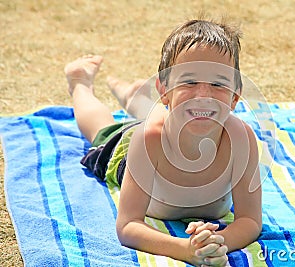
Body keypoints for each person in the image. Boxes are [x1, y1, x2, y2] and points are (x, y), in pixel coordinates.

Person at [64, 19, 262, 267]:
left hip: (169, 119)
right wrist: (186, 250)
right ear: (165, 90)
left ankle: (134, 95)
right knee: (102, 129)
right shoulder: (148, 141)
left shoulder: (241, 141)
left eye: (218, 84)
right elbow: (128, 225)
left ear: (235, 97)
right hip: (128, 153)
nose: (204, 95)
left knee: (178, 111)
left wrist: (216, 242)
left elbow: (250, 221)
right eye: (189, 82)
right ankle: (80, 83)